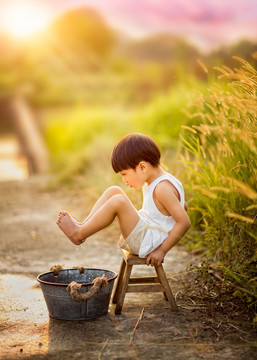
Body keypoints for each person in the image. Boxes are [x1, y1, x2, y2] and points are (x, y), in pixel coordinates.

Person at [56, 133, 191, 267]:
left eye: (124, 174)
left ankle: (78, 235)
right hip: (147, 233)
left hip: (147, 242)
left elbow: (184, 222)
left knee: (119, 201)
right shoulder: (165, 181)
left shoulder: (162, 188)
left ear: (142, 167)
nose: (124, 180)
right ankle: (82, 227)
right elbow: (182, 206)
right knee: (114, 191)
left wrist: (162, 250)